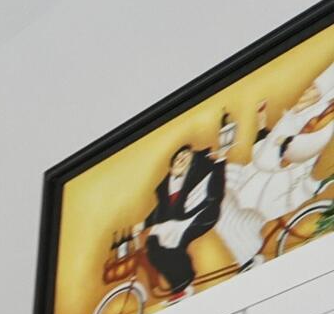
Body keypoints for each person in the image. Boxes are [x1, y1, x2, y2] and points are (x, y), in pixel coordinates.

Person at [217, 80, 334, 270]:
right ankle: (246, 255)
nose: (306, 92)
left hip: (280, 183)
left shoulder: (319, 123)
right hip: (262, 176)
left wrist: (277, 145)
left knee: (236, 218)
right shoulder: (300, 114)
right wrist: (263, 122)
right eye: (309, 88)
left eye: (312, 90)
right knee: (226, 207)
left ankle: (249, 256)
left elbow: (277, 155)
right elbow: (268, 149)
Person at [142, 142, 226, 294]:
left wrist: (220, 162)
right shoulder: (166, 186)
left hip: (200, 214)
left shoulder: (204, 171)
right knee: (153, 244)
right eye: (178, 157)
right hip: (176, 220)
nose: (181, 158)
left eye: (186, 155)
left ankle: (183, 284)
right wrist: (143, 224)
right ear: (171, 166)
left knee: (174, 243)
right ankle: (178, 283)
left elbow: (217, 192)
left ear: (193, 159)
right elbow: (160, 210)